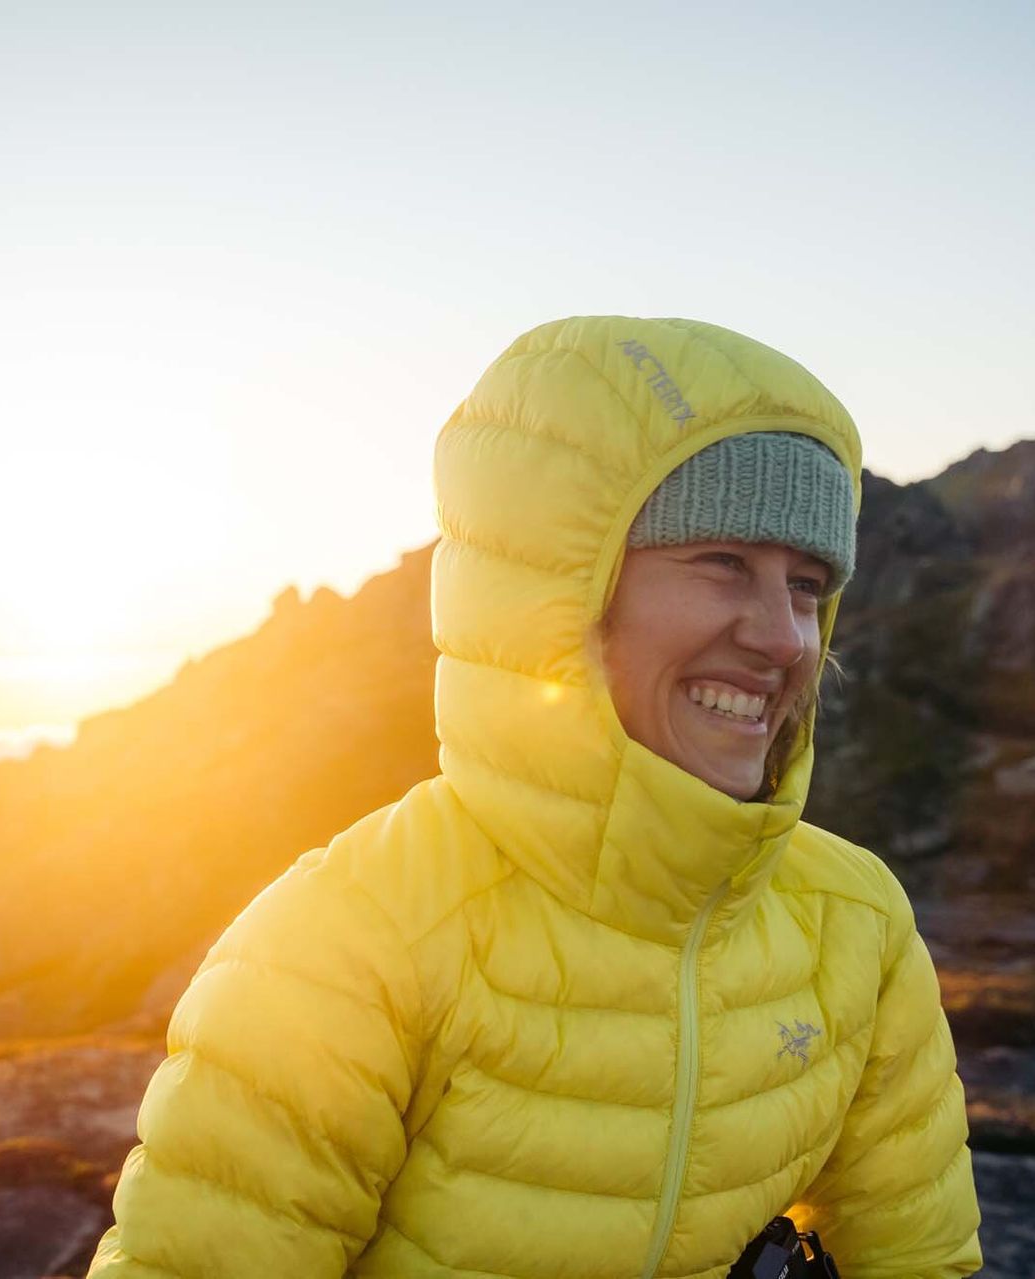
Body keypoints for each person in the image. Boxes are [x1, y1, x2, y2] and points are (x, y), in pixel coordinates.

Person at [89, 316, 982, 1277]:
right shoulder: (352, 938)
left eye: (808, 586)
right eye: (723, 562)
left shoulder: (859, 924)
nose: (785, 639)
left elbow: (919, 1261)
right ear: (563, 597)